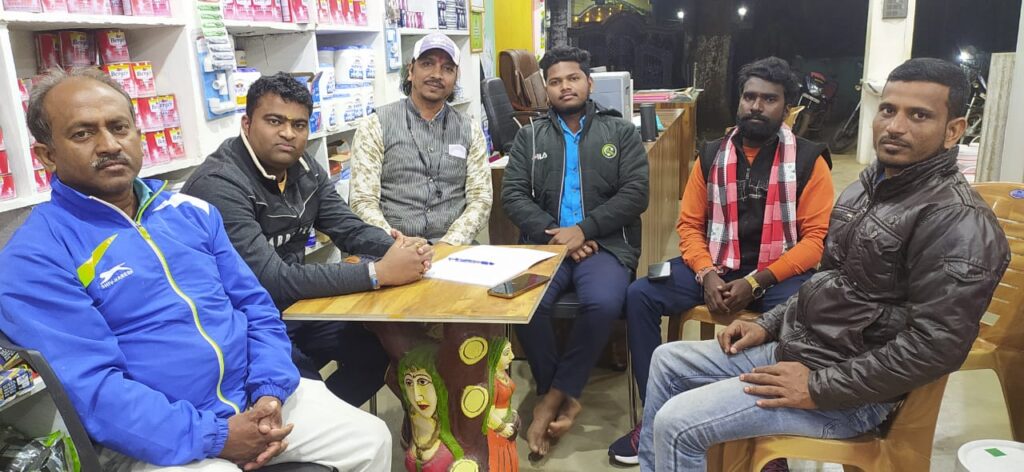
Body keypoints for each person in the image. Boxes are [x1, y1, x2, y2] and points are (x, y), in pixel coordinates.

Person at [0, 68, 391, 470]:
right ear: (47, 154)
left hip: (251, 397)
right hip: (153, 437)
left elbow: (256, 308)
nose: (109, 144)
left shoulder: (190, 213)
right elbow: (93, 390)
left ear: (138, 134)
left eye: (119, 127)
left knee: (369, 439)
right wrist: (217, 436)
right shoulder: (35, 256)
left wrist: (270, 392)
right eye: (83, 133)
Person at [638, 58, 1010, 472]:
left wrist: (817, 387)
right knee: (667, 361)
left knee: (679, 423)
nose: (895, 126)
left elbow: (935, 347)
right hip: (806, 350)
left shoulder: (957, 221)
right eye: (888, 110)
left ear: (953, 131)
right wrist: (768, 324)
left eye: (918, 115)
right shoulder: (866, 190)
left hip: (853, 395)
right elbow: (825, 281)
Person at [610, 56, 834, 466]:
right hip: (717, 265)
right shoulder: (712, 153)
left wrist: (757, 281)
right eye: (749, 96)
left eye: (769, 99)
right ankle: (654, 414)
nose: (756, 106)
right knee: (640, 294)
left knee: (804, 313)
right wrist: (705, 272)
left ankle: (768, 437)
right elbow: (690, 224)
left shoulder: (809, 160)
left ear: (786, 108)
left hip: (776, 273)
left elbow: (816, 241)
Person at [182, 73, 432, 407]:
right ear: (247, 123)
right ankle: (314, 422)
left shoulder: (303, 167)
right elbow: (272, 279)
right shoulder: (219, 184)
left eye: (299, 125)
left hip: (295, 309)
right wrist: (377, 273)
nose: (288, 133)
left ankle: (328, 423)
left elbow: (348, 228)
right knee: (302, 392)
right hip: (242, 323)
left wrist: (403, 250)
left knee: (382, 350)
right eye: (275, 121)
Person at [501, 46, 649, 457]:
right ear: (545, 89)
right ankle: (560, 393)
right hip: (546, 246)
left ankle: (549, 400)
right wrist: (559, 236)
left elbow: (636, 193)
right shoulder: (529, 136)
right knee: (520, 301)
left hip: (606, 245)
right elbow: (513, 195)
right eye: (555, 81)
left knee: (602, 303)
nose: (564, 86)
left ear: (589, 83)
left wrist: (584, 230)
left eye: (573, 78)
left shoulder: (620, 132)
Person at [350, 32, 491, 246]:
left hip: (453, 247)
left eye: (447, 69)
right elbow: (362, 201)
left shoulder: (470, 129)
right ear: (411, 71)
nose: (437, 74)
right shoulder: (375, 125)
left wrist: (449, 243)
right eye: (427, 64)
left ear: (455, 78)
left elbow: (481, 199)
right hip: (390, 248)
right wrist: (395, 243)